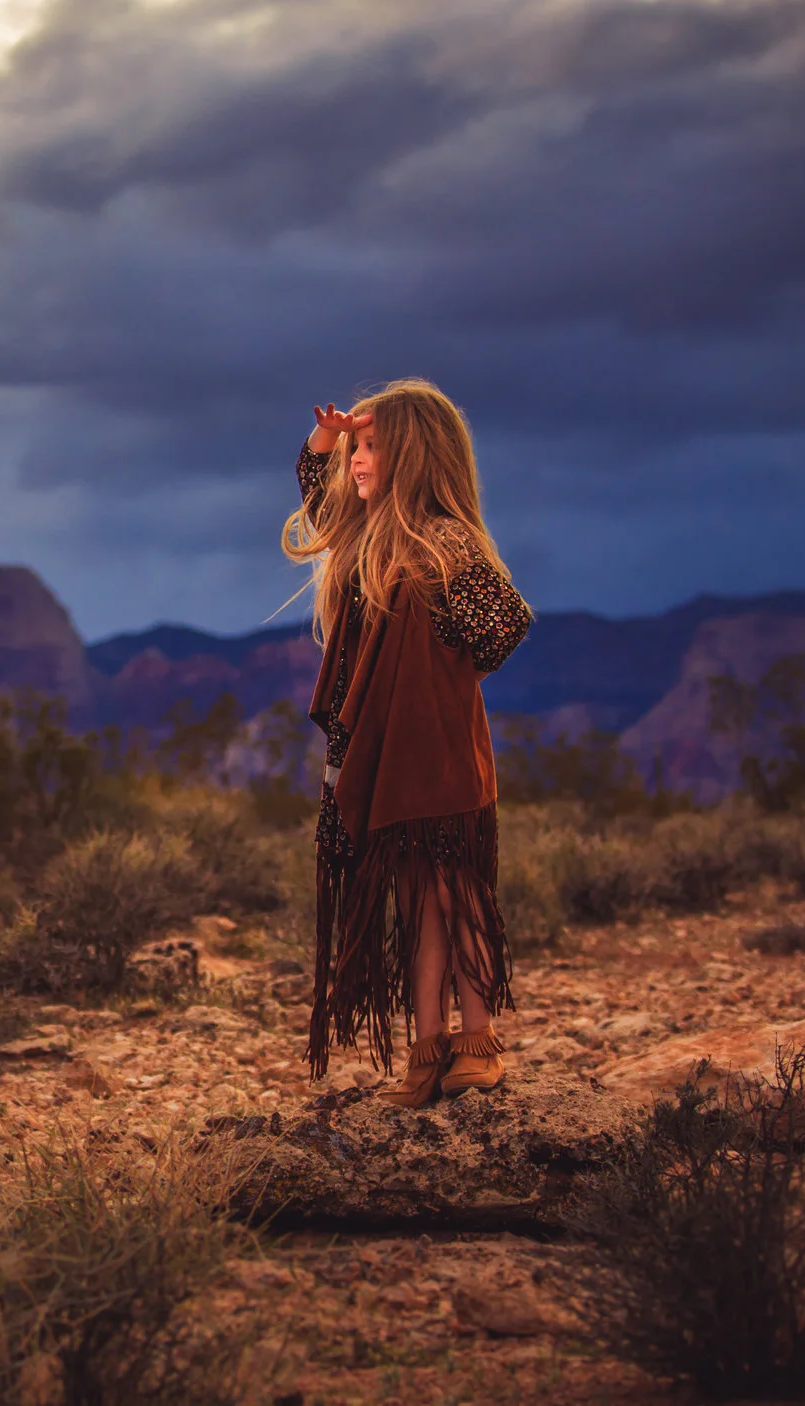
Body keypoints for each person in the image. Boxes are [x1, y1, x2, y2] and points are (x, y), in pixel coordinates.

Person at [280, 378, 533, 1108]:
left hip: (438, 751)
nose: (356, 461)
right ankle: (427, 1051)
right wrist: (322, 445)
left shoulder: (440, 540)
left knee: (457, 893)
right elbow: (323, 499)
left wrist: (442, 667)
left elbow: (502, 623)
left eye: (370, 447)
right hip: (388, 748)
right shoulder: (368, 535)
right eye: (354, 449)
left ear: (416, 455)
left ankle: (477, 1043)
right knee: (417, 901)